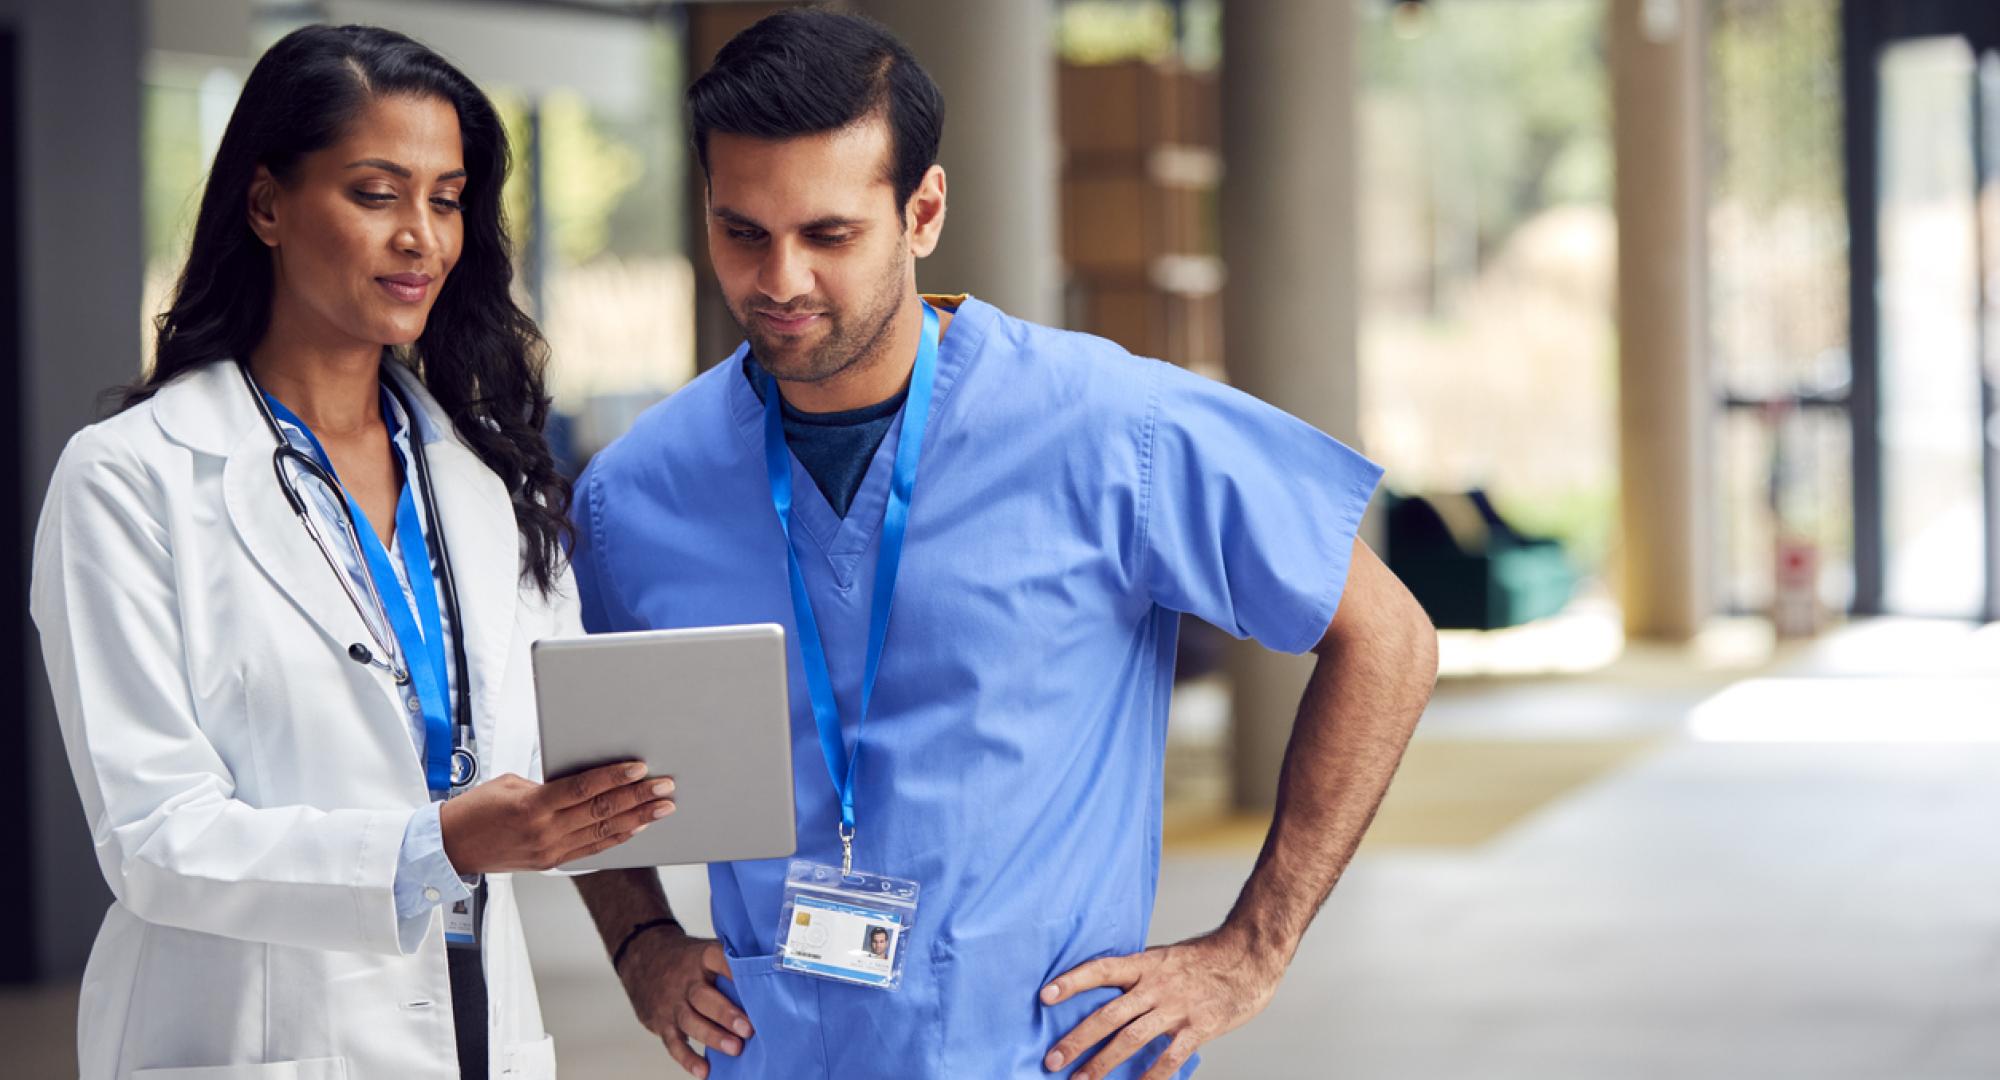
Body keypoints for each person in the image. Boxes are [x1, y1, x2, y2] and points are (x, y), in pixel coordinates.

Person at [569, 10, 1437, 1079]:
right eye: (741, 231)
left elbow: (1386, 638)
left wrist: (1249, 951)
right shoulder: (634, 494)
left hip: (1045, 1053)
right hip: (782, 1054)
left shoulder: (1114, 427)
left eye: (828, 234)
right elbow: (571, 756)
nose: (779, 279)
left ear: (921, 210)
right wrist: (638, 941)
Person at [30, 25, 674, 1080]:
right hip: (252, 1041)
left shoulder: (484, 482)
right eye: (377, 194)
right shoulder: (133, 478)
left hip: (478, 1031)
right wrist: (439, 845)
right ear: (267, 203)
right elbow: (153, 837)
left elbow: (562, 747)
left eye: (447, 197)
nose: (420, 235)